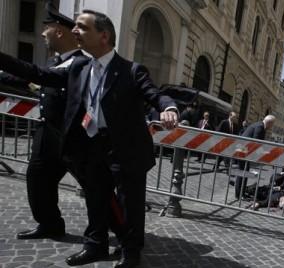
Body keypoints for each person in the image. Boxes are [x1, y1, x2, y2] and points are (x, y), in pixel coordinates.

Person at [0, 9, 178, 268]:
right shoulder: (79, 67)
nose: (74, 31)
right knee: (97, 197)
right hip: (91, 145)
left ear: (103, 36)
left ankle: (131, 252)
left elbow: (155, 94)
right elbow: (38, 74)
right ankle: (95, 245)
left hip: (126, 148)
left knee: (130, 203)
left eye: (82, 27)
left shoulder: (131, 70)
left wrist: (169, 108)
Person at [0, 3, 124, 244]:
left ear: (59, 31)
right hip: (48, 133)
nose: (43, 34)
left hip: (75, 138)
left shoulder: (84, 64)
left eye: (47, 29)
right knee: (38, 179)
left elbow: (36, 74)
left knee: (96, 189)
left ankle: (124, 231)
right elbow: (28, 77)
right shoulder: (54, 63)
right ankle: (50, 224)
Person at [235, 115, 276, 199]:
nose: (272, 126)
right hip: (243, 150)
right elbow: (256, 143)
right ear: (270, 123)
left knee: (245, 172)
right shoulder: (260, 127)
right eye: (272, 124)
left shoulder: (259, 125)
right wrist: (263, 153)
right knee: (242, 173)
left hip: (244, 150)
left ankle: (241, 193)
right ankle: (239, 194)